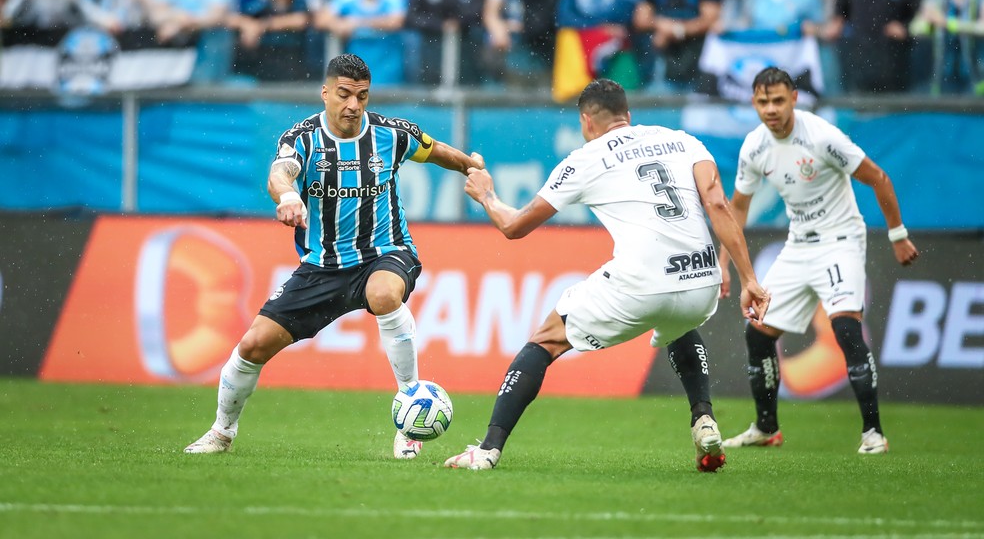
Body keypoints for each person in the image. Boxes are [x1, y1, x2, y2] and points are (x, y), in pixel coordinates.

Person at [444, 78, 771, 471]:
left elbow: (514, 227)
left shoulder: (586, 157)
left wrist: (486, 195)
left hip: (645, 282)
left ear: (586, 122)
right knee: (678, 324)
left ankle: (487, 450)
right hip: (702, 280)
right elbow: (718, 203)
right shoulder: (684, 141)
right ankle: (703, 418)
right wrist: (749, 278)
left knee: (545, 341)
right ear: (628, 116)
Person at [184, 53, 485, 458]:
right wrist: (289, 196)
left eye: (361, 96)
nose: (353, 106)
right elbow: (280, 173)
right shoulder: (302, 139)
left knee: (383, 295)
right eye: (343, 95)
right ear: (325, 93)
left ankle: (409, 415)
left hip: (386, 252)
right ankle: (221, 433)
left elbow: (434, 150)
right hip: (321, 268)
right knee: (253, 346)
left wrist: (471, 167)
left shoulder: (390, 134)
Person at [719, 67, 919, 456]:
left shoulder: (822, 136)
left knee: (845, 331)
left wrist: (898, 235)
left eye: (778, 100)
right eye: (763, 102)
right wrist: (725, 262)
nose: (771, 109)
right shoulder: (754, 147)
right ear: (753, 103)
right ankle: (765, 428)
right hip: (798, 246)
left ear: (794, 98)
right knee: (757, 333)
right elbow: (737, 209)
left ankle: (873, 433)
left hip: (840, 241)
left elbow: (878, 177)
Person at [911, 0, 984, 94]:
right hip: (944, 75)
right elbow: (915, 28)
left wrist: (947, 23)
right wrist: (927, 23)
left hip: (978, 77)